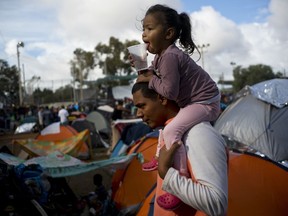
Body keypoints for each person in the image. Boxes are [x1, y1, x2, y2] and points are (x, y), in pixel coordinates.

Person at [133, 4, 221, 210]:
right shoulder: (161, 56)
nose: (144, 34)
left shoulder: (170, 56)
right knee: (168, 127)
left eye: (149, 29)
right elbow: (149, 75)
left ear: (168, 33)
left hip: (206, 102)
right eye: (143, 30)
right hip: (196, 102)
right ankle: (159, 158)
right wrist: (141, 67)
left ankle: (179, 177)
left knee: (173, 129)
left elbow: (169, 92)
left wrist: (150, 78)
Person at [132, 82, 228, 215]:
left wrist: (166, 172)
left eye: (142, 106)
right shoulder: (171, 133)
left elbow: (216, 203)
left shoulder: (198, 134)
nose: (138, 114)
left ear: (162, 99)